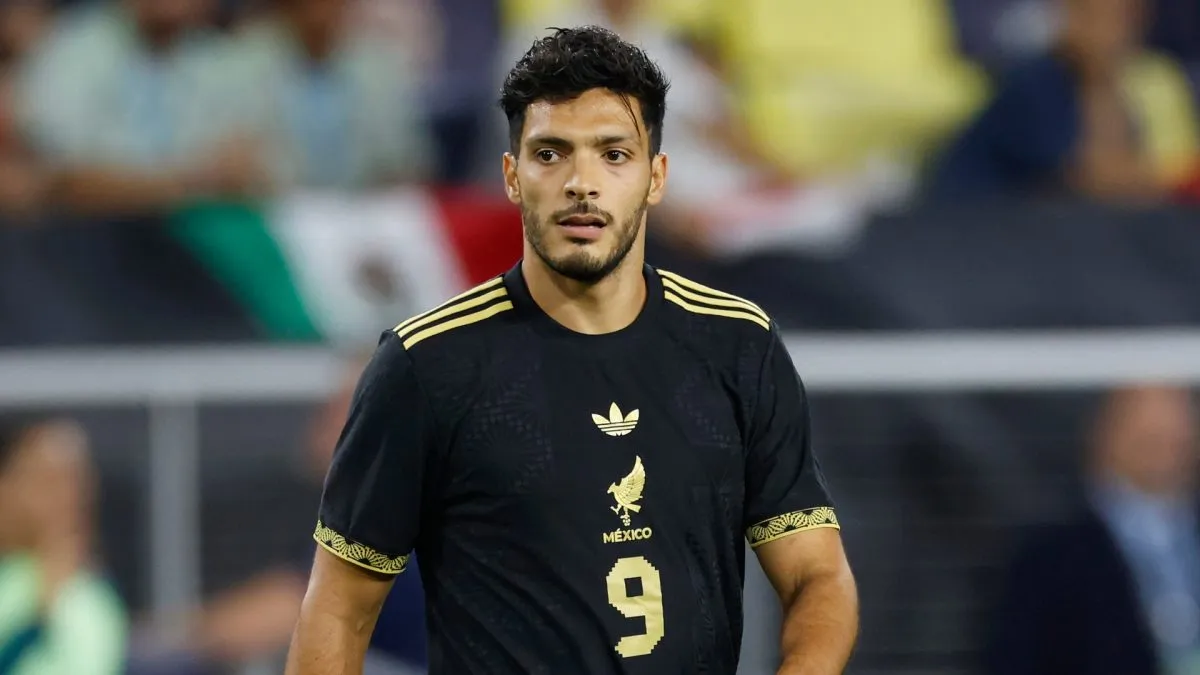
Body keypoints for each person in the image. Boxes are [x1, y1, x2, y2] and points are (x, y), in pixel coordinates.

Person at [285, 25, 858, 675]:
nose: (582, 182)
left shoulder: (738, 345)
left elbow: (817, 573)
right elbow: (338, 609)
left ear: (656, 177)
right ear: (511, 175)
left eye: (613, 154)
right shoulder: (427, 363)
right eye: (551, 153)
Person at [0, 415, 128, 675]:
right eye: (47, 482)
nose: (68, 498)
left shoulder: (88, 595)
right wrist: (37, 619)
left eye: (76, 482)